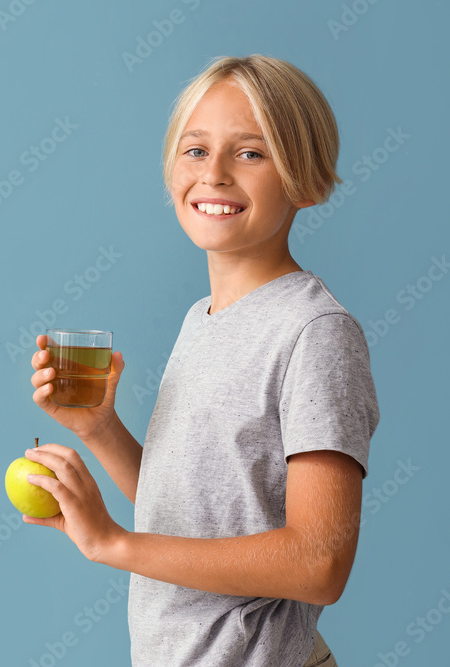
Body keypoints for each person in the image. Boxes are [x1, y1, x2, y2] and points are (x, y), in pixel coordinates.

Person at [25, 55, 379, 666]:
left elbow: (319, 564)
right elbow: (202, 513)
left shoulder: (315, 333)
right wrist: (101, 430)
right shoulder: (202, 320)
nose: (213, 173)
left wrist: (111, 542)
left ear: (305, 179)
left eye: (250, 153)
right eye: (195, 150)